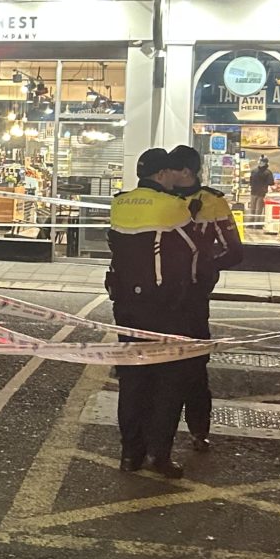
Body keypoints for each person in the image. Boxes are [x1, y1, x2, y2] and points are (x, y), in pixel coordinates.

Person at [107, 148, 189, 477]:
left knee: (132, 380)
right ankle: (160, 454)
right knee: (167, 382)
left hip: (125, 304)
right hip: (164, 306)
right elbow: (192, 250)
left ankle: (130, 454)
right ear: (161, 175)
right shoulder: (173, 206)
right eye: (170, 172)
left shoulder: (120, 202)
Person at [168, 144, 243, 451]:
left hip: (193, 297)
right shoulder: (163, 198)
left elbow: (234, 250)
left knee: (195, 367)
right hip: (163, 295)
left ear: (185, 171)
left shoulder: (211, 202)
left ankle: (199, 430)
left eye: (172, 169)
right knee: (165, 367)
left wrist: (204, 270)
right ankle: (164, 432)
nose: (167, 175)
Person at [248, 157, 275, 221]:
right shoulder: (268, 172)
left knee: (252, 209)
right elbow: (271, 182)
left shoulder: (254, 171)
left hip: (253, 191)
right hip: (262, 193)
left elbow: (250, 181)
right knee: (258, 209)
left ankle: (251, 223)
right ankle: (257, 224)